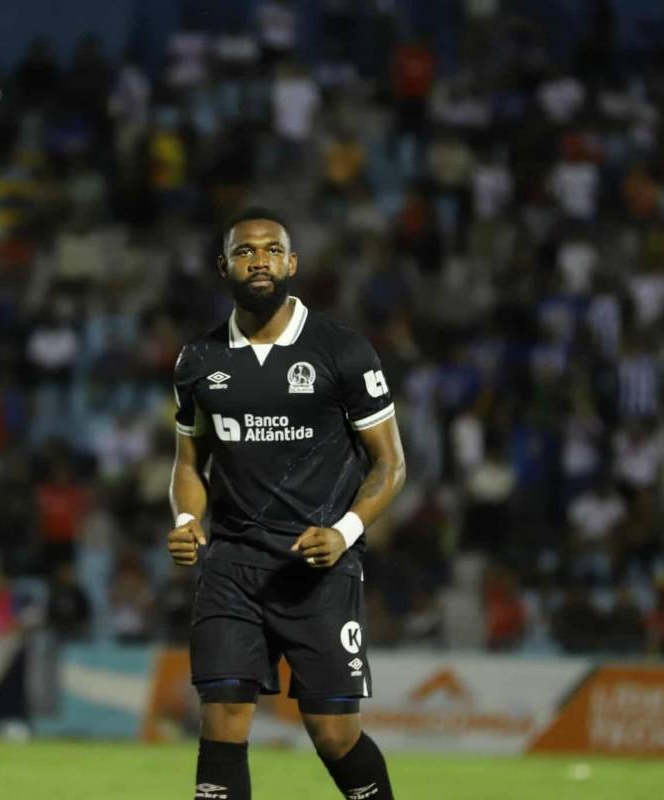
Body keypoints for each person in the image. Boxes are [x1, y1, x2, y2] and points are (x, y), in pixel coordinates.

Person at [167, 209, 405, 800]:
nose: (259, 261)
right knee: (222, 718)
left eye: (272, 250)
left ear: (292, 263)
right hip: (232, 565)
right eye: (245, 252)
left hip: (318, 567)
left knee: (333, 733)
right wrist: (187, 519)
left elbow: (390, 464)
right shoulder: (198, 360)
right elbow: (189, 463)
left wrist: (344, 531)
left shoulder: (341, 349)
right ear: (223, 265)